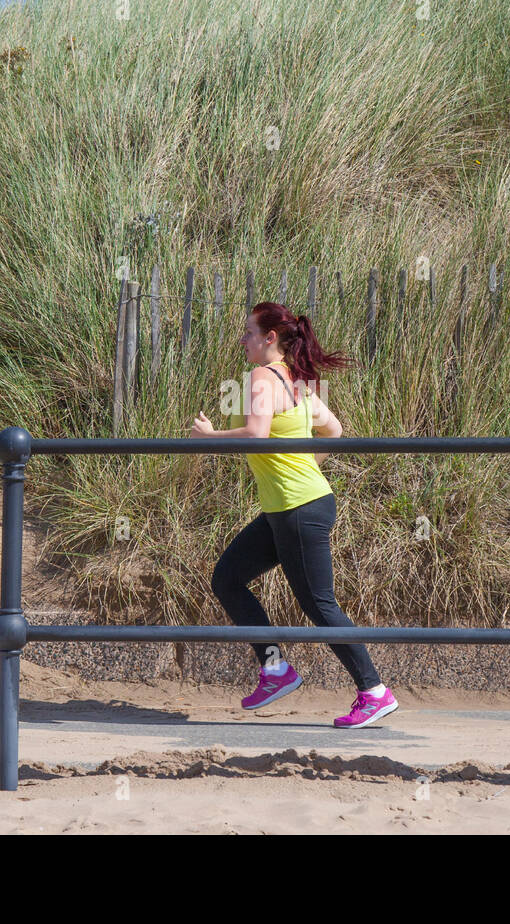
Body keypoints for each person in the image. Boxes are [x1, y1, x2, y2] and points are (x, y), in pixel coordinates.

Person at [186, 302, 398, 728]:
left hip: (298, 508)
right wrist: (305, 469)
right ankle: (275, 668)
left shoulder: (263, 377)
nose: (242, 340)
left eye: (248, 333)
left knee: (319, 604)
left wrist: (209, 437)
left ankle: (374, 691)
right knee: (227, 577)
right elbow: (333, 431)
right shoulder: (297, 380)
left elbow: (256, 435)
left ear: (269, 339)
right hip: (292, 505)